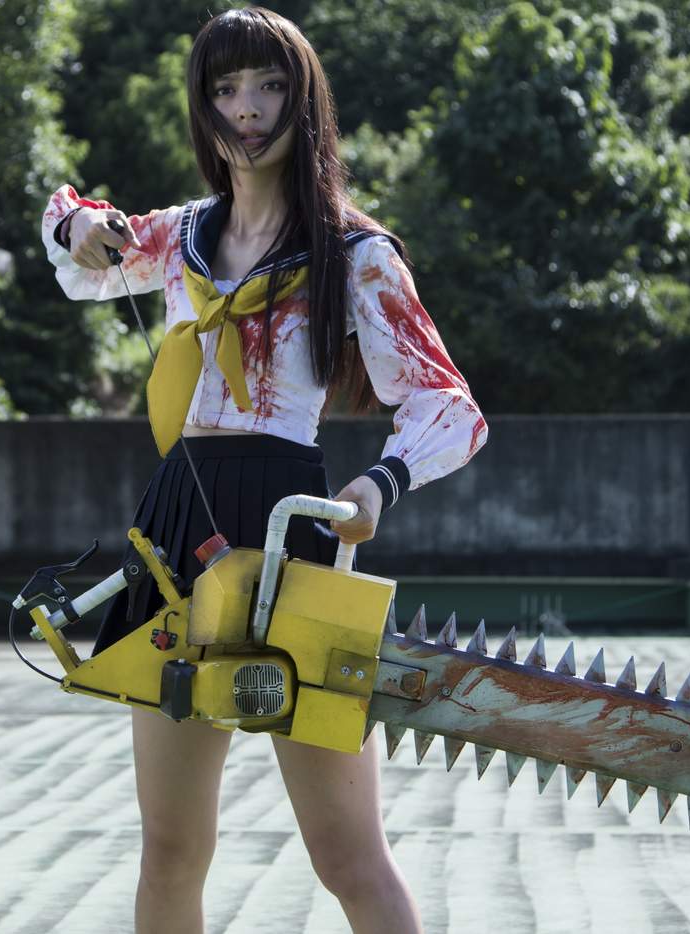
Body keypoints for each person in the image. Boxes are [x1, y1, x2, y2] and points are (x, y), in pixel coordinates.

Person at [41, 8, 488, 934]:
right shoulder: (178, 236)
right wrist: (79, 222)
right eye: (226, 88)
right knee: (170, 849)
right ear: (203, 105)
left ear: (304, 99)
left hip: (293, 530)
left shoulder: (355, 253)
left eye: (270, 86)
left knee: (347, 855)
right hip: (177, 529)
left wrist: (380, 484)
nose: (247, 108)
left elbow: (450, 405)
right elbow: (77, 246)